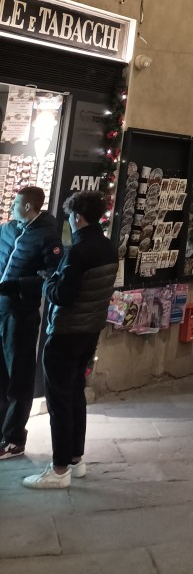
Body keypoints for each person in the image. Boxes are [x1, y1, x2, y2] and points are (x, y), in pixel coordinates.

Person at [23, 190, 118, 490]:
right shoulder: (107, 247)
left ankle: (59, 468)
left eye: (70, 218)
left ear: (78, 217)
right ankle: (76, 460)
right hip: (90, 332)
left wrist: (48, 281)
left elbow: (63, 296)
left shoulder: (77, 252)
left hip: (65, 334)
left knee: (59, 402)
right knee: (76, 396)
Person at [0, 186, 62, 461]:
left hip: (22, 314)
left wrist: (15, 286)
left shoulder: (48, 236)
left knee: (20, 378)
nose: (11, 208)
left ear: (27, 207)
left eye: (15, 204)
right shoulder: (7, 230)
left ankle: (14, 440)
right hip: (0, 311)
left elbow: (51, 276)